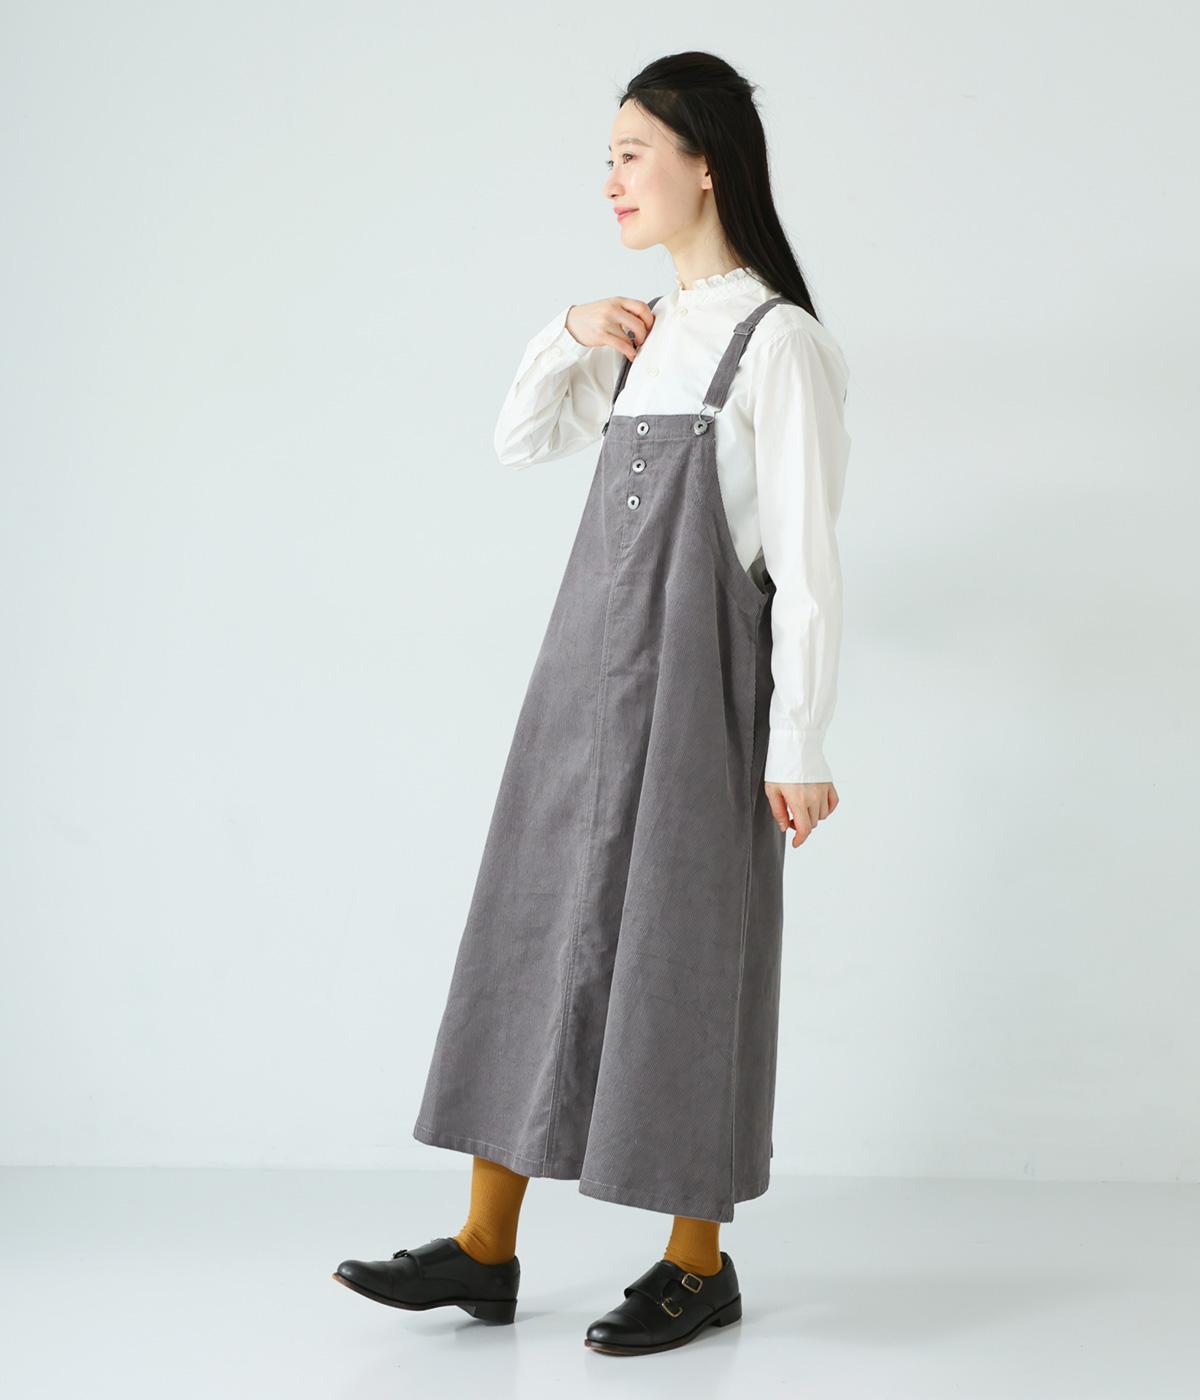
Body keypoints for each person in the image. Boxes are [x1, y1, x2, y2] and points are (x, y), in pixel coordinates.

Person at [333, 50, 851, 1357]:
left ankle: (697, 1264)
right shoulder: (644, 331)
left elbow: (808, 566)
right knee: (532, 927)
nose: (611, 180)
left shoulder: (779, 344)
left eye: (631, 154)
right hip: (583, 684)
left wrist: (799, 742)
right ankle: (485, 1246)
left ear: (705, 164)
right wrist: (568, 330)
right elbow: (519, 439)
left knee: (685, 948)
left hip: (698, 695)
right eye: (606, 159)